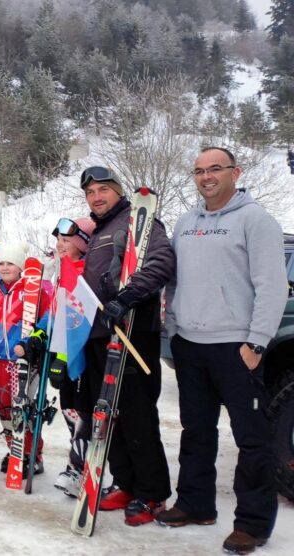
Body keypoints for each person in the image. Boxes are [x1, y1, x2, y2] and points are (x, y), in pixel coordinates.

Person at [158, 147, 287, 554]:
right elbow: (175, 282)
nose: (206, 177)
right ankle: (196, 504)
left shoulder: (256, 220)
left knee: (252, 439)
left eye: (215, 169)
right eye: (199, 171)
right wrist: (175, 329)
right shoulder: (185, 223)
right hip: (190, 346)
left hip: (236, 347)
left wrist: (257, 342)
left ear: (235, 172)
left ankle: (252, 524)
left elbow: (272, 286)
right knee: (196, 431)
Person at [77, 166, 175, 526]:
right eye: (90, 193)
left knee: (136, 415)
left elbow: (161, 263)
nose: (97, 197)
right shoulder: (101, 231)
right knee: (109, 416)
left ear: (118, 191)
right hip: (101, 337)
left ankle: (152, 493)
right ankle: (126, 483)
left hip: (132, 333)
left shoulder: (140, 223)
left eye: (103, 189)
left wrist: (127, 297)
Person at [14, 216, 96, 497]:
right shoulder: (63, 271)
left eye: (67, 241)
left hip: (80, 354)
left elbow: (77, 317)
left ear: (83, 245)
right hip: (61, 351)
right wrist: (39, 333)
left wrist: (64, 352)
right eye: (59, 241)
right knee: (69, 410)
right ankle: (80, 465)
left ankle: (78, 469)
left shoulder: (86, 273)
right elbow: (56, 312)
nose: (60, 245)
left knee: (82, 413)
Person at [0, 241, 53, 476]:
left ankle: (33, 453)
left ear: (21, 267)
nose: (4, 267)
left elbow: (46, 320)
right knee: (5, 407)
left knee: (26, 407)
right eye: (0, 263)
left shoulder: (33, 291)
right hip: (0, 358)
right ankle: (15, 448)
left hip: (26, 361)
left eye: (10, 263)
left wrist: (34, 345)